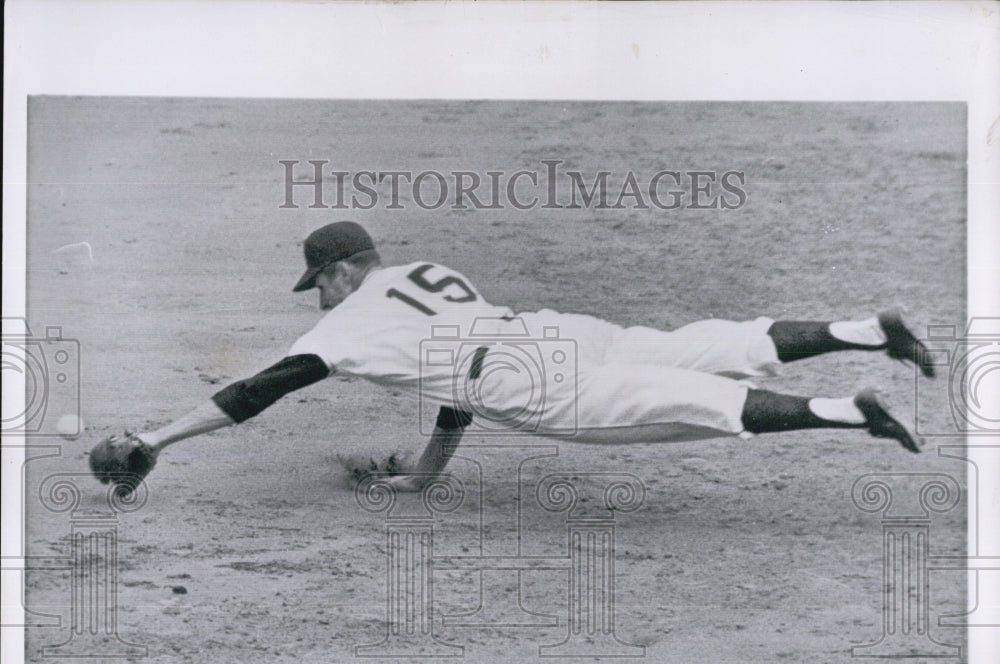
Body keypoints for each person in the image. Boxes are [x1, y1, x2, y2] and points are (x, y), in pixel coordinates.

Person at [90, 221, 931, 493]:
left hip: (527, 378)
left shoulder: (340, 327)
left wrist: (157, 442)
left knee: (678, 401)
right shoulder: (429, 271)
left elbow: (249, 394)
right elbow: (452, 387)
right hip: (561, 331)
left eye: (320, 281)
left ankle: (846, 412)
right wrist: (426, 474)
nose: (319, 296)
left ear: (343, 270)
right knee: (708, 342)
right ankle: (863, 329)